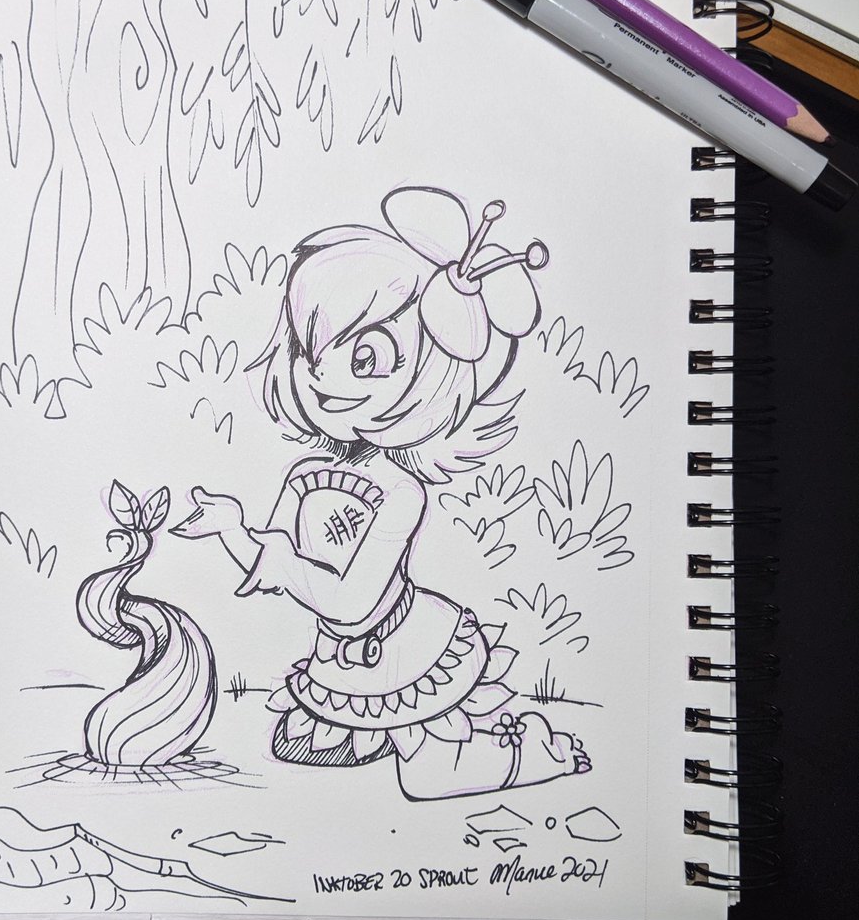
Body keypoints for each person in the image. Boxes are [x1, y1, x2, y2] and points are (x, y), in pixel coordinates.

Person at [172, 187, 589, 799]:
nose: (321, 375)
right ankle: (411, 736)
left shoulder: (401, 495)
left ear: (431, 380)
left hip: (406, 648)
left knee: (426, 778)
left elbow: (347, 599)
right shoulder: (304, 475)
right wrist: (230, 527)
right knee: (298, 746)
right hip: (338, 658)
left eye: (365, 357)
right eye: (308, 349)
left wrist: (273, 556)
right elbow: (274, 561)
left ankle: (538, 754)